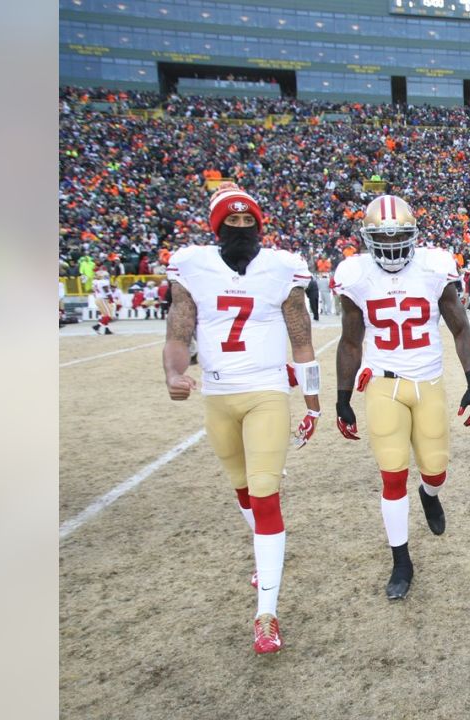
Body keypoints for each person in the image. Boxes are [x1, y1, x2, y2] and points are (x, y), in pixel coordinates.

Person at [162, 182, 321, 654]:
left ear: (259, 224)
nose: (240, 227)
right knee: (242, 489)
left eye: (247, 220)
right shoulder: (193, 266)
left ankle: (266, 614)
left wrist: (312, 403)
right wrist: (173, 372)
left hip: (267, 392)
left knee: (266, 493)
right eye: (231, 221)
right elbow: (178, 327)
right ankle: (263, 554)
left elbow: (303, 341)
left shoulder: (281, 268)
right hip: (217, 394)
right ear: (216, 227)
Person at [332, 194, 470, 601]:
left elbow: (460, 327)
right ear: (367, 238)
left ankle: (429, 494)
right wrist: (342, 397)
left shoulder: (434, 269)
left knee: (435, 469)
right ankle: (401, 559)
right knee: (392, 472)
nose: (392, 244)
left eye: (399, 234)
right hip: (384, 383)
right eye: (383, 236)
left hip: (428, 381)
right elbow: (350, 341)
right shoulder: (356, 275)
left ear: (414, 234)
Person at [90, 268, 117, 334]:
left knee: (105, 316)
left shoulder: (95, 282)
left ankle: (106, 329)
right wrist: (111, 299)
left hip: (98, 299)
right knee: (108, 315)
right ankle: (97, 326)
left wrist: (113, 285)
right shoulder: (103, 282)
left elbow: (106, 287)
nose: (107, 277)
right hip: (103, 299)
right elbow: (106, 291)